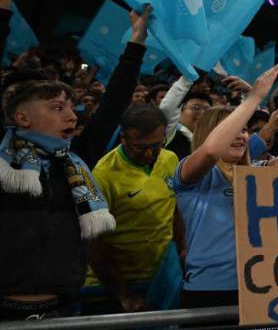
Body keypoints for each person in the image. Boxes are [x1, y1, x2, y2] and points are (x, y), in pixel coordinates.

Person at [170, 63, 278, 308]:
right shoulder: (190, 174)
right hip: (209, 289)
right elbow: (210, 151)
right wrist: (254, 98)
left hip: (259, 288)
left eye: (246, 131)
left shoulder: (255, 173)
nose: (242, 136)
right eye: (235, 131)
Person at [0, 79, 116, 320]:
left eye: (72, 108)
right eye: (57, 108)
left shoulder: (76, 163)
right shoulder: (4, 168)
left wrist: (136, 46)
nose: (72, 116)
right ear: (23, 118)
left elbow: (113, 106)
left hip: (62, 309)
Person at [84, 104, 183, 313]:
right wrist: (123, 292)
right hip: (111, 288)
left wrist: (183, 251)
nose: (149, 154)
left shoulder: (170, 159)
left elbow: (174, 210)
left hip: (161, 278)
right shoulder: (103, 174)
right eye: (140, 147)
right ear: (123, 139)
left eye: (156, 145)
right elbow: (92, 241)